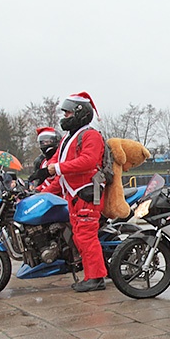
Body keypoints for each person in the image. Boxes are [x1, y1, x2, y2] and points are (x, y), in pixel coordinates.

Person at [45, 92, 107, 293]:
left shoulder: (91, 135)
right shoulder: (67, 138)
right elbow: (55, 159)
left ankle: (96, 278)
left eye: (68, 113)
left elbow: (89, 160)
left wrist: (60, 168)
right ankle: (90, 276)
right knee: (80, 237)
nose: (65, 117)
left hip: (87, 194)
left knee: (87, 236)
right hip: (73, 195)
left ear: (80, 113)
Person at [28, 127, 61, 193]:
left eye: (48, 141)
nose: (45, 144)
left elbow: (58, 181)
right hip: (46, 192)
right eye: (43, 142)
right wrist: (37, 190)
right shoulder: (40, 161)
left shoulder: (61, 157)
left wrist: (41, 192)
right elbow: (41, 181)